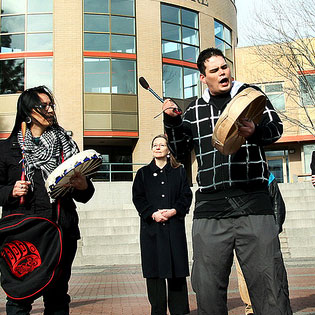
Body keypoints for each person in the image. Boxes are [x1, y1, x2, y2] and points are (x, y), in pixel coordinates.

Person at [162, 48, 292, 315]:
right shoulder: (193, 110)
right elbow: (178, 151)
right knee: (207, 290)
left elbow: (276, 130)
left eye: (224, 67)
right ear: (202, 77)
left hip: (254, 203)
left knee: (271, 288)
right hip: (210, 208)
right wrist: (172, 123)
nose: (223, 73)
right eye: (215, 70)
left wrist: (255, 131)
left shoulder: (251, 97)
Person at [0, 86, 95, 315]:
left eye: (51, 104)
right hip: (25, 234)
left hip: (61, 229)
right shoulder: (7, 149)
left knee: (57, 297)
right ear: (28, 110)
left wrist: (83, 186)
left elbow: (85, 193)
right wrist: (10, 191)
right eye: (43, 105)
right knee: (19, 299)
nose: (50, 110)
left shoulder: (66, 146)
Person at [132, 134, 193, 315]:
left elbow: (186, 195)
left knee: (177, 273)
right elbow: (138, 197)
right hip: (152, 230)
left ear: (168, 150)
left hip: (174, 228)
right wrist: (152, 213)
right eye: (155, 145)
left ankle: (179, 311)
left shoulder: (179, 171)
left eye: (161, 145)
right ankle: (157, 311)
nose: (157, 147)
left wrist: (175, 211)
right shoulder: (143, 173)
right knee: (155, 274)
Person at [235, 171, 287, 315]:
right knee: (242, 273)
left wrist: (274, 228)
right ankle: (250, 308)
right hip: (241, 232)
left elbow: (277, 203)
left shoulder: (266, 175)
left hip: (264, 231)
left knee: (270, 271)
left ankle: (274, 304)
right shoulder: (231, 176)